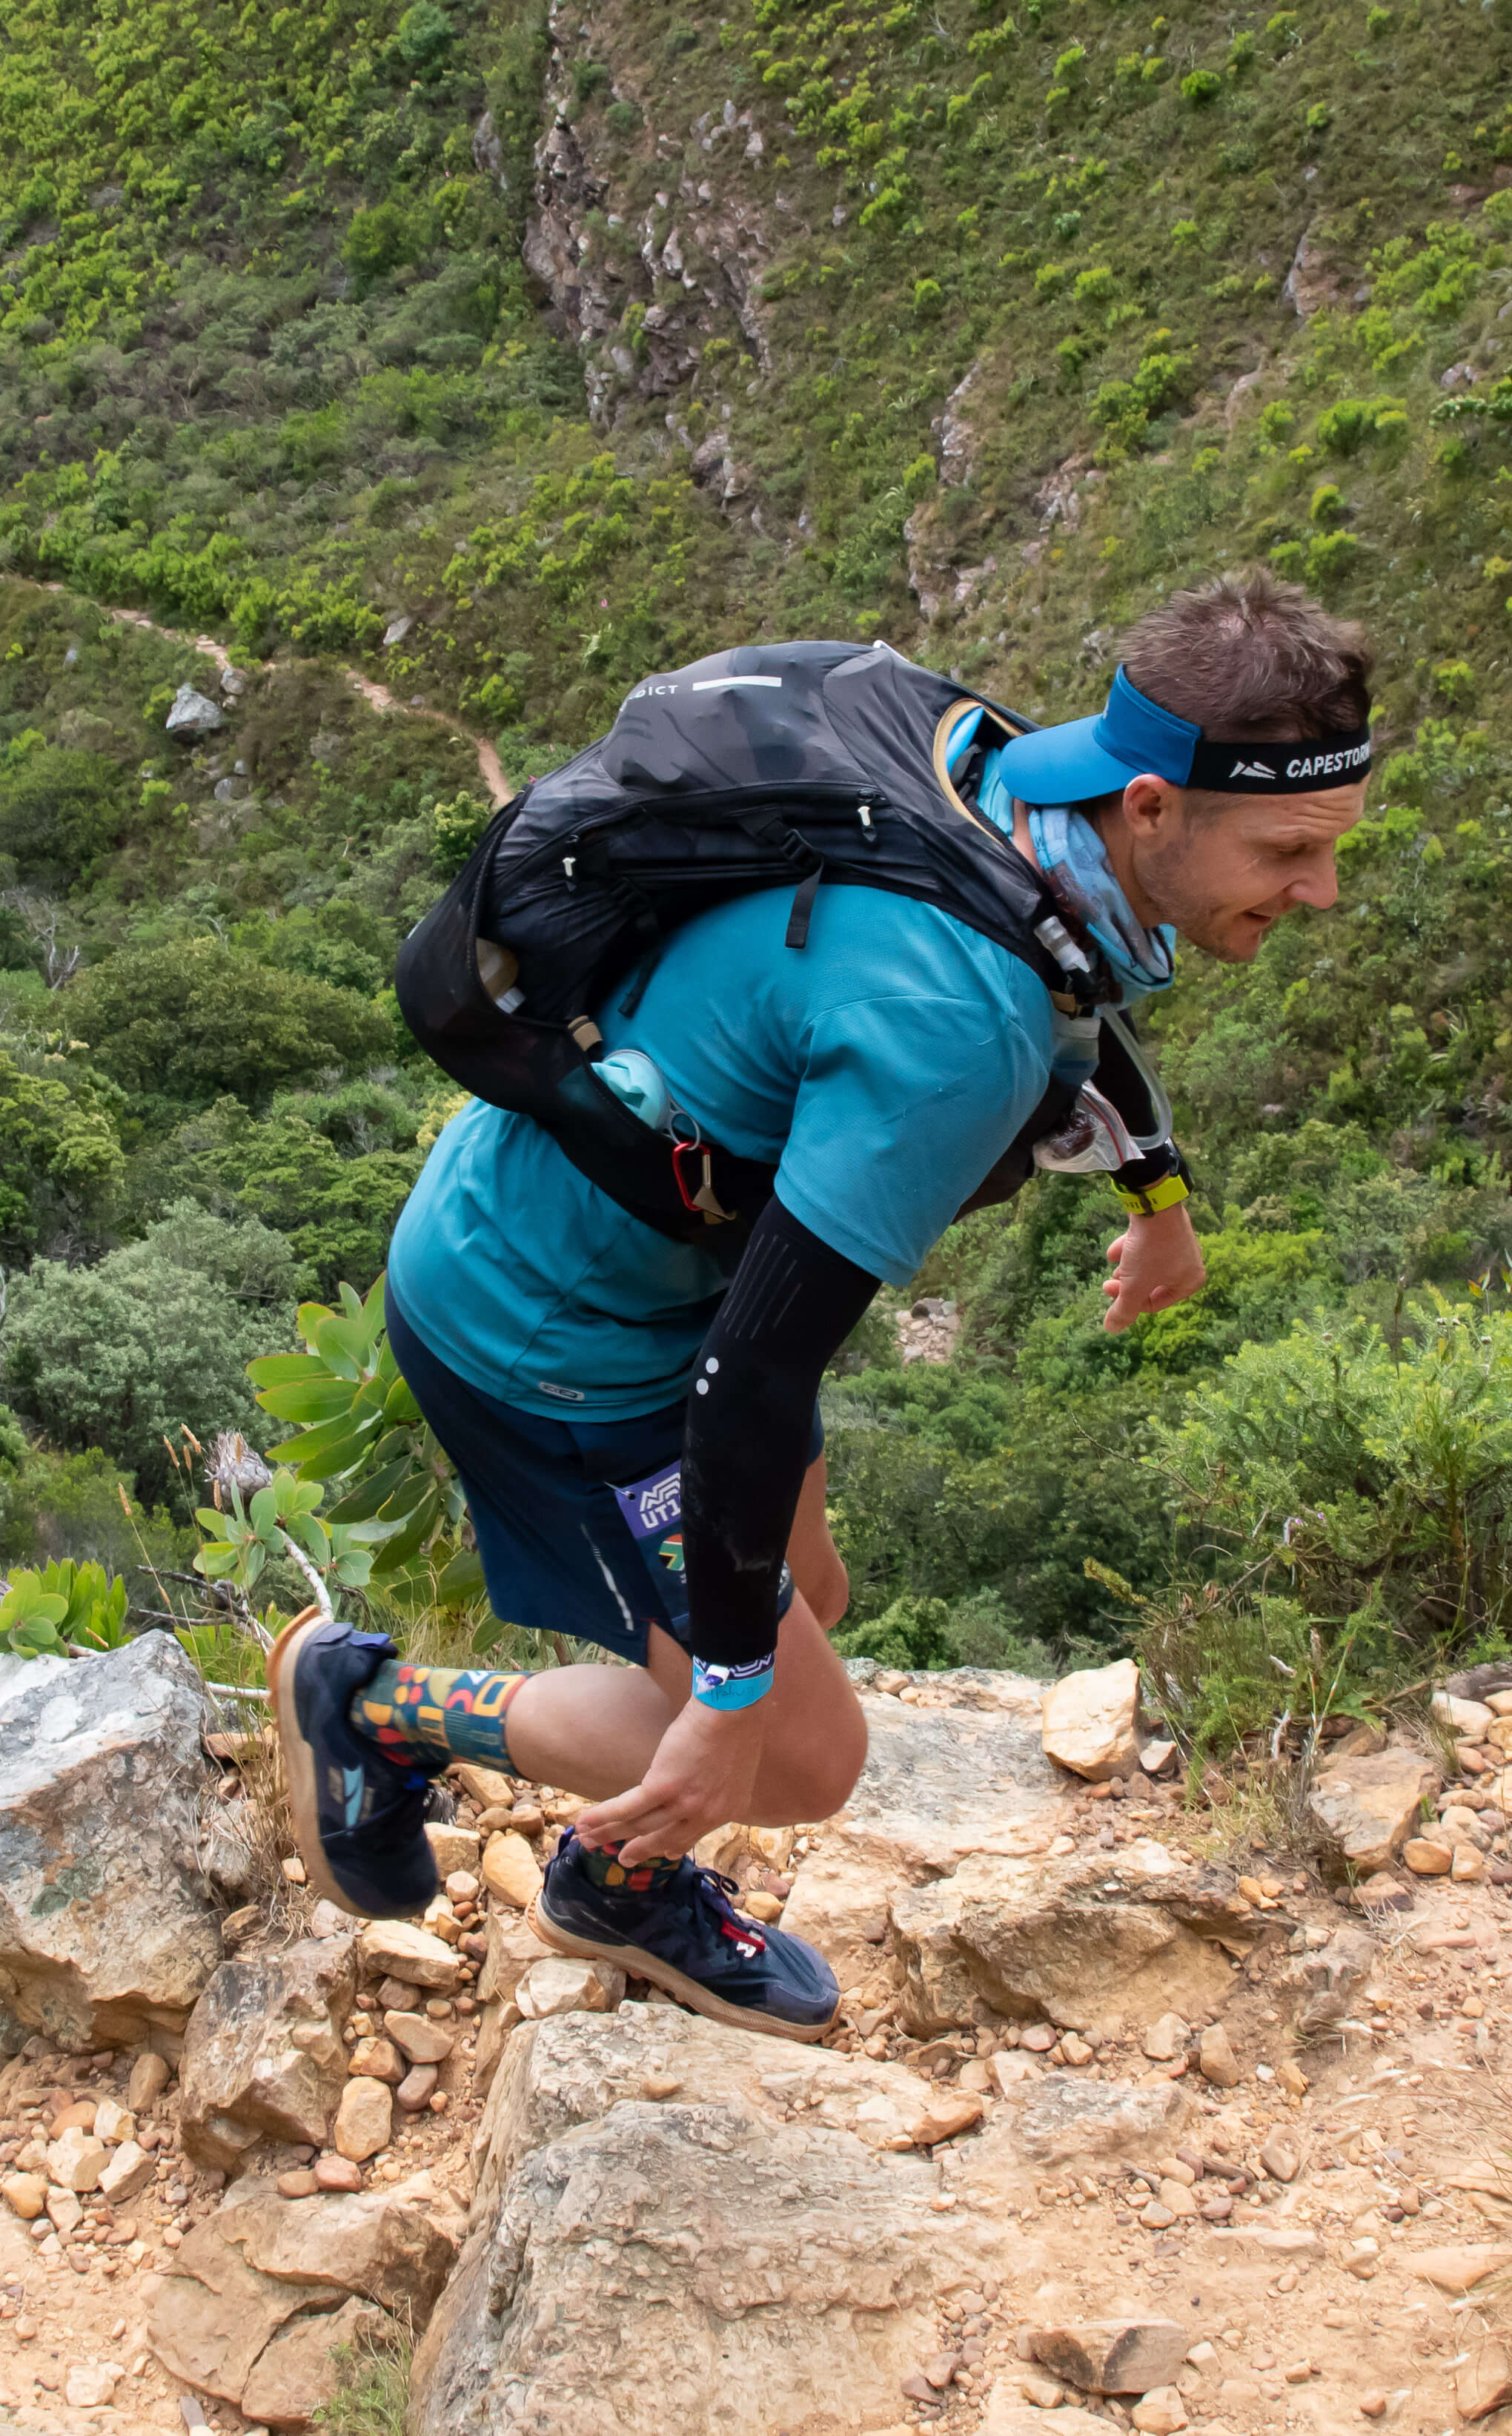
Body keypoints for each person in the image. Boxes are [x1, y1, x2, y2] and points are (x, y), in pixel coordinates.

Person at [269, 569, 1376, 2039]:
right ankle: (381, 1716)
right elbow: (749, 1380)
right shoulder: (951, 1021)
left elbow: (1073, 995)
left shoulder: (1008, 791)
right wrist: (727, 1699)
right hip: (551, 1332)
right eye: (1288, 848)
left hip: (621, 1265)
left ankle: (628, 1826)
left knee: (809, 1597)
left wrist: (1154, 1201)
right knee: (793, 1751)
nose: (1321, 890)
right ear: (1154, 804)